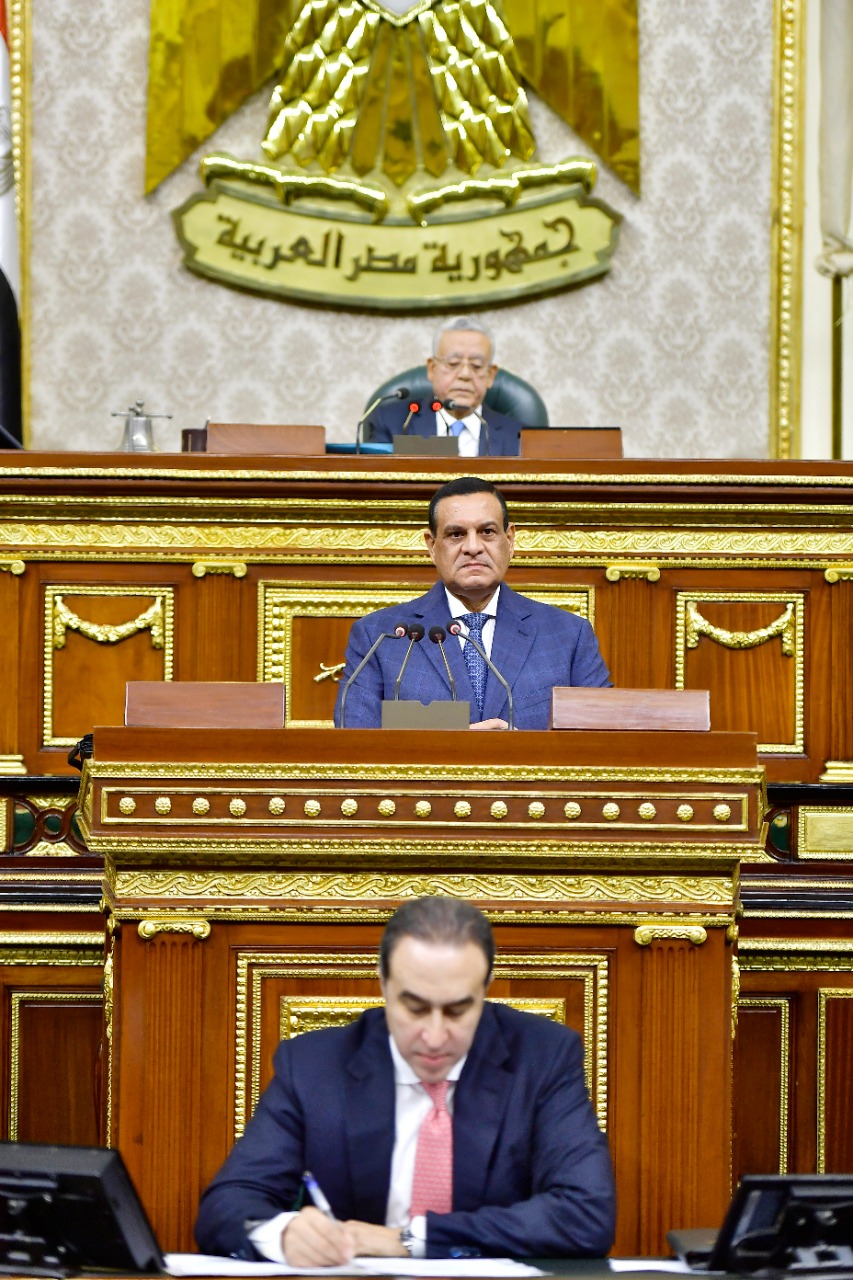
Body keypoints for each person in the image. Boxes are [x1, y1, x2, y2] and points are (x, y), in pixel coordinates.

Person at [195, 897, 616, 1263]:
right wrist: (284, 1234)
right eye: (414, 1008)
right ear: (383, 983)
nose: (434, 1036)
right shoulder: (313, 1066)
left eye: (457, 1011)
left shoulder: (542, 1057)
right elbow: (226, 1207)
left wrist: (409, 1239)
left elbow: (586, 1215)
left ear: (486, 988)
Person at [334, 475, 611, 730]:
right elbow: (354, 745)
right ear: (432, 545)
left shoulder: (568, 636)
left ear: (509, 540)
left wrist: (525, 749)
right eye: (456, 534)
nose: (473, 547)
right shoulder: (379, 638)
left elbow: (603, 742)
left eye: (487, 531)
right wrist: (452, 746)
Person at [365, 317, 525, 457]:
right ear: (432, 369)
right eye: (453, 363)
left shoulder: (518, 436)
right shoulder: (390, 423)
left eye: (476, 365)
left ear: (490, 375)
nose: (465, 374)